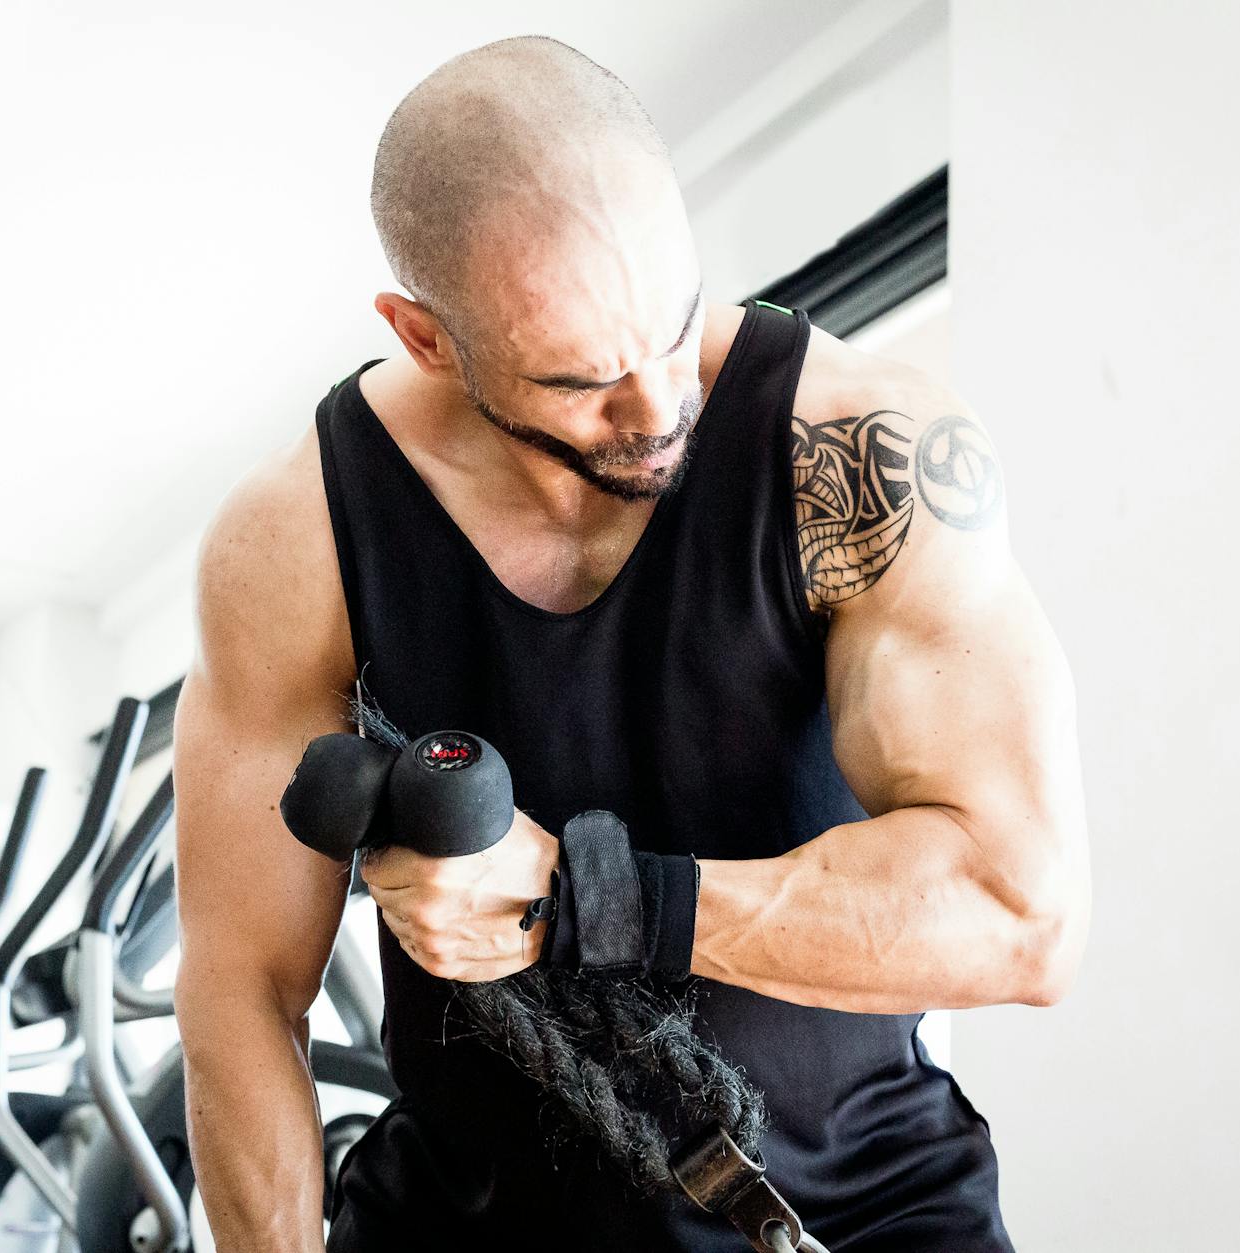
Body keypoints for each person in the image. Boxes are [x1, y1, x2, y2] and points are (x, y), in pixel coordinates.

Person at [173, 33, 1089, 1253]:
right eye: (577, 381)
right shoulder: (297, 539)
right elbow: (240, 990)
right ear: (427, 337)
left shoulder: (859, 451)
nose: (659, 409)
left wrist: (589, 900)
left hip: (853, 1212)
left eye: (670, 326)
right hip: (467, 1219)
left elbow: (1021, 917)